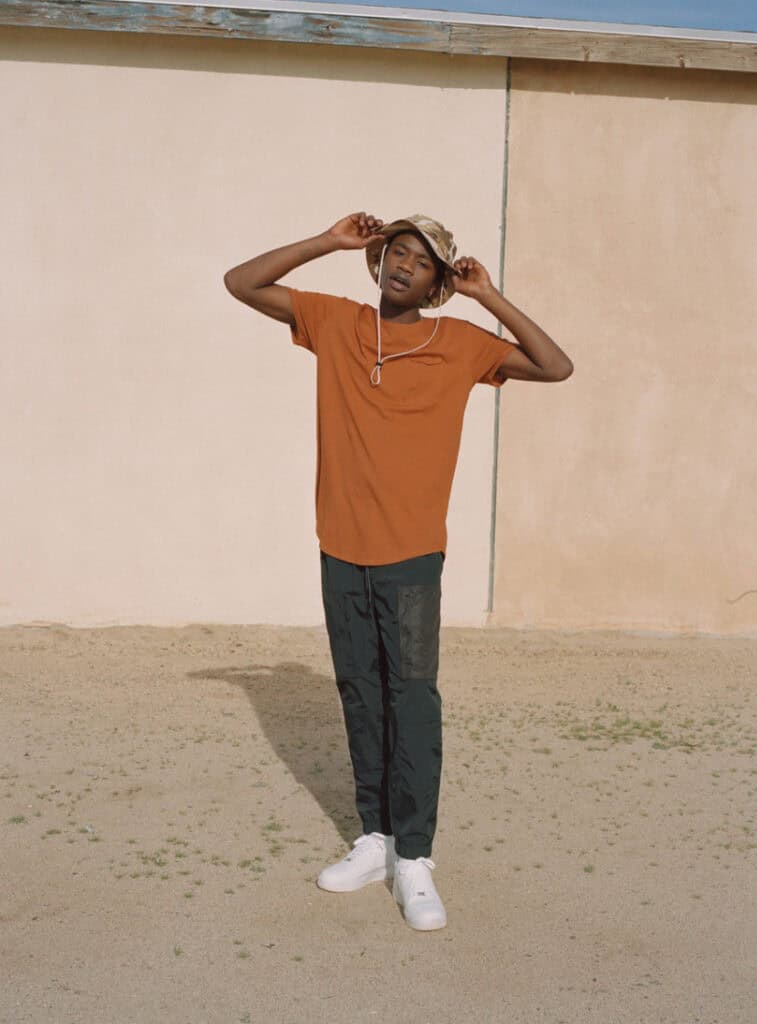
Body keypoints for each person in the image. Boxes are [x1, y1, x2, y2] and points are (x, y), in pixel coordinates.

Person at [224, 211, 573, 931]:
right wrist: (330, 242)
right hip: (340, 544)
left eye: (422, 260)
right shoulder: (334, 321)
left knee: (411, 698)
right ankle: (375, 840)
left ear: (440, 282)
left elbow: (554, 364)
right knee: (359, 691)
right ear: (378, 260)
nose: (404, 264)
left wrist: (489, 296)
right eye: (395, 251)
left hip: (411, 552)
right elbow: (240, 282)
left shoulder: (462, 344)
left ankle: (415, 855)